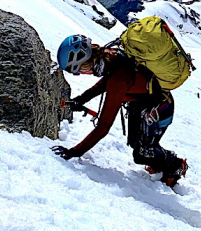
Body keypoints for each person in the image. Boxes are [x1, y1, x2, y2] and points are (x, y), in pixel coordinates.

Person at [51, 34, 188, 187]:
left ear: (87, 59)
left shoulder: (117, 79)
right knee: (137, 144)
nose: (86, 73)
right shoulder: (109, 55)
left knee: (141, 154)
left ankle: (175, 165)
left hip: (159, 109)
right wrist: (81, 99)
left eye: (82, 69)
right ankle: (158, 161)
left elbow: (103, 127)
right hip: (145, 105)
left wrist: (73, 152)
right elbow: (106, 82)